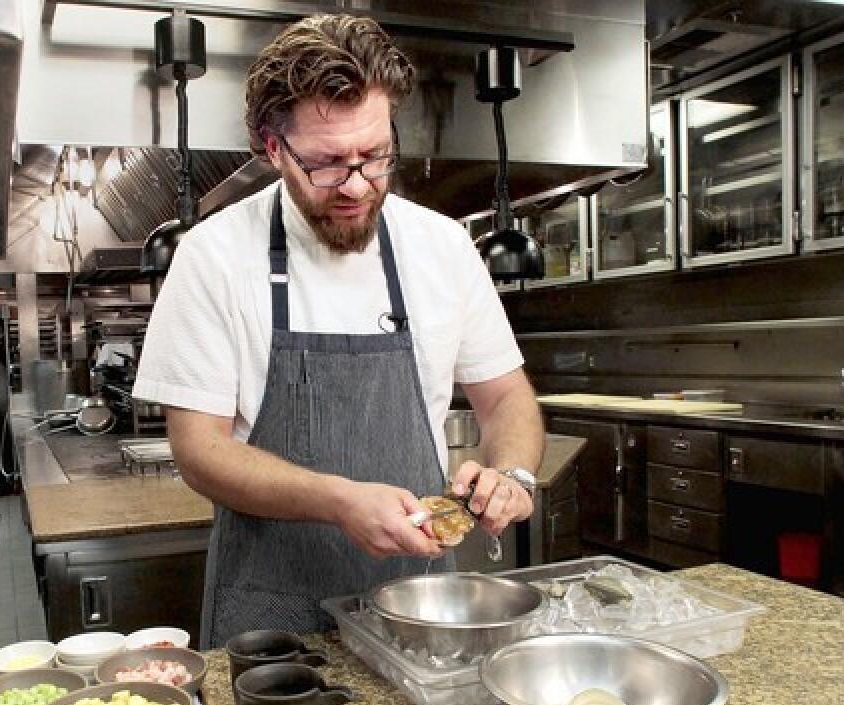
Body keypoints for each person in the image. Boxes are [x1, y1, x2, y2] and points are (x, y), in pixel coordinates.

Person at [134, 13, 544, 648]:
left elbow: (507, 397)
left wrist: (511, 474)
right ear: (273, 149)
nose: (357, 186)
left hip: (418, 601)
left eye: (376, 156)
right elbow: (198, 449)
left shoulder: (442, 247)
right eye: (326, 164)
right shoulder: (212, 255)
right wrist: (340, 501)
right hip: (270, 612)